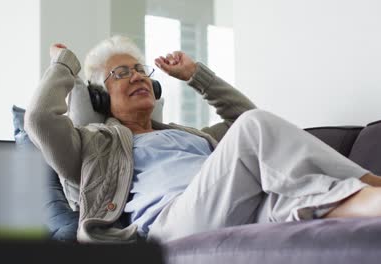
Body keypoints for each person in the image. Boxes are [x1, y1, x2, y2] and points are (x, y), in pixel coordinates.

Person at [25, 35, 381, 244]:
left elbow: (243, 117)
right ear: (101, 97)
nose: (137, 77)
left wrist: (196, 75)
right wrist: (63, 65)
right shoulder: (93, 144)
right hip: (172, 225)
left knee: (299, 203)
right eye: (121, 73)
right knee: (254, 127)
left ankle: (372, 200)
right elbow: (40, 119)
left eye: (140, 70)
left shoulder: (191, 136)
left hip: (235, 206)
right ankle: (373, 180)